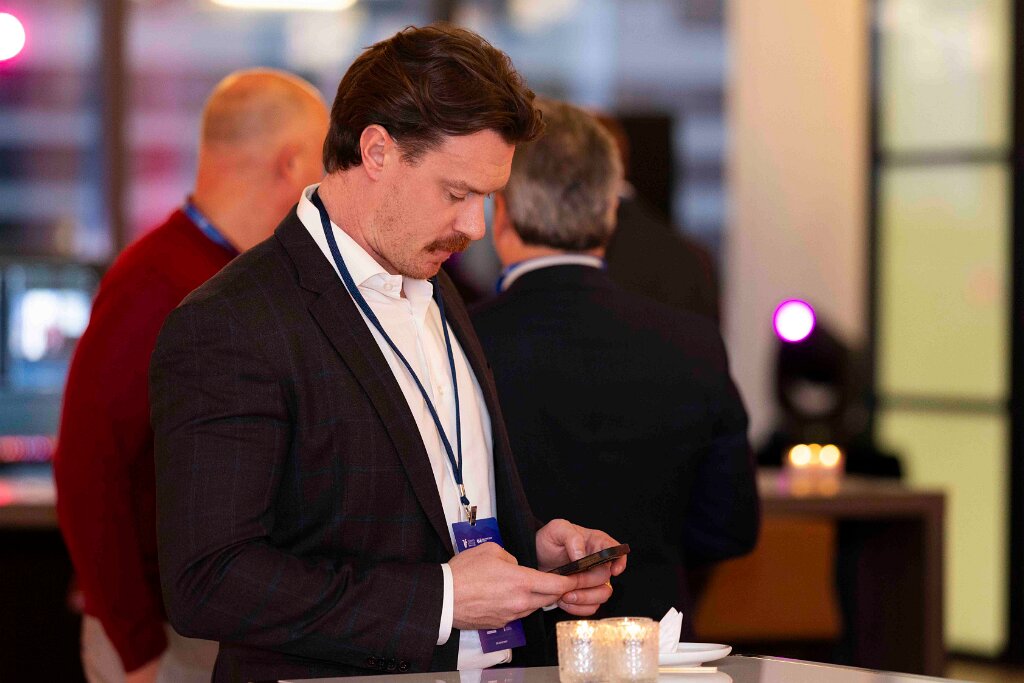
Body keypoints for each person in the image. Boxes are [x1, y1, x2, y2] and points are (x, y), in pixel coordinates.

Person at [149, 25, 625, 683]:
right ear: (376, 150)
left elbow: (429, 507)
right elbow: (209, 581)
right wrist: (443, 599)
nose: (475, 227)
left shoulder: (434, 283)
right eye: (456, 193)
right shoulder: (232, 322)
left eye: (487, 198)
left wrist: (532, 551)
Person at [53, 69, 330, 683]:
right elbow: (87, 469)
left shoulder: (247, 275)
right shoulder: (155, 282)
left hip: (230, 624)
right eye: (323, 159)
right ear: (290, 162)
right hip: (164, 635)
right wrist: (137, 647)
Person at [471, 99, 759, 633]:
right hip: (653, 640)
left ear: (500, 212)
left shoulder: (463, 342)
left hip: (506, 642)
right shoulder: (693, 342)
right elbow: (730, 526)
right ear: (609, 210)